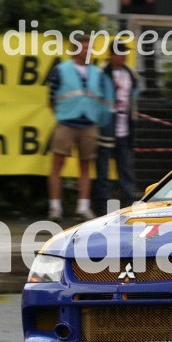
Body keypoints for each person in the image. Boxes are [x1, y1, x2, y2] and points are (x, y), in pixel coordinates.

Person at [47, 36, 113, 223]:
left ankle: (83, 207)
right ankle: (55, 208)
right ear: (74, 50)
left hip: (89, 124)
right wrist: (62, 114)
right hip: (66, 123)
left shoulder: (97, 72)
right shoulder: (61, 70)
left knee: (86, 166)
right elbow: (51, 97)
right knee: (57, 165)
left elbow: (101, 98)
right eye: (84, 48)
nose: (87, 52)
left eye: (89, 48)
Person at [93, 41, 139, 216]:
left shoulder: (130, 73)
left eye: (125, 53)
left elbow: (134, 95)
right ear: (111, 55)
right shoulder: (102, 73)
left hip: (125, 130)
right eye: (119, 53)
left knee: (126, 170)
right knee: (103, 172)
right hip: (106, 128)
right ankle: (102, 208)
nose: (123, 56)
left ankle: (128, 206)